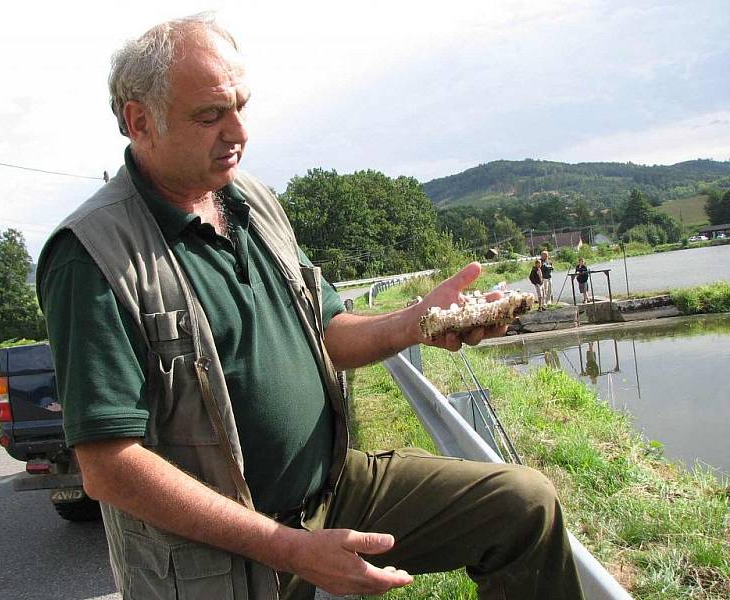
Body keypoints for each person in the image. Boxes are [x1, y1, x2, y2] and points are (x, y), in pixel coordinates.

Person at [37, 14, 583, 600]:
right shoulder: (91, 255)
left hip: (333, 487)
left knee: (523, 507)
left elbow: (326, 330)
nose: (238, 131)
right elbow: (109, 467)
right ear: (139, 121)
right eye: (210, 115)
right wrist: (290, 547)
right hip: (220, 558)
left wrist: (418, 322)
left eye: (241, 106)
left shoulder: (252, 199)